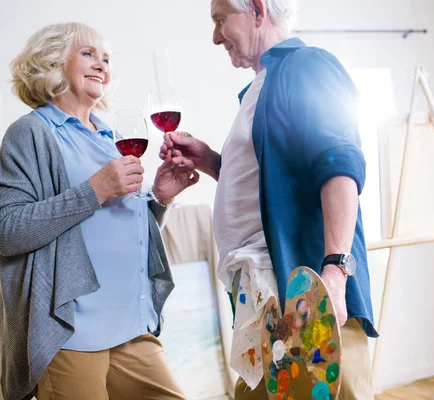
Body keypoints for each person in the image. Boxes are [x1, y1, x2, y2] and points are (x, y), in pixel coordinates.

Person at [160, 0, 377, 398]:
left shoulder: (305, 66)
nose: (214, 36)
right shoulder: (260, 87)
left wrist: (334, 273)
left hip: (309, 301)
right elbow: (271, 188)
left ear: (258, 10)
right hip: (266, 302)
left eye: (220, 19)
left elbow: (340, 166)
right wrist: (210, 162)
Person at [0, 22, 198, 400]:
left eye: (106, 59)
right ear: (53, 61)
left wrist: (160, 199)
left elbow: (124, 225)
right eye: (88, 53)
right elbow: (7, 230)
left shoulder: (111, 139)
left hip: (133, 325)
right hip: (72, 331)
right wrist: (94, 191)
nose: (101, 65)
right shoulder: (32, 133)